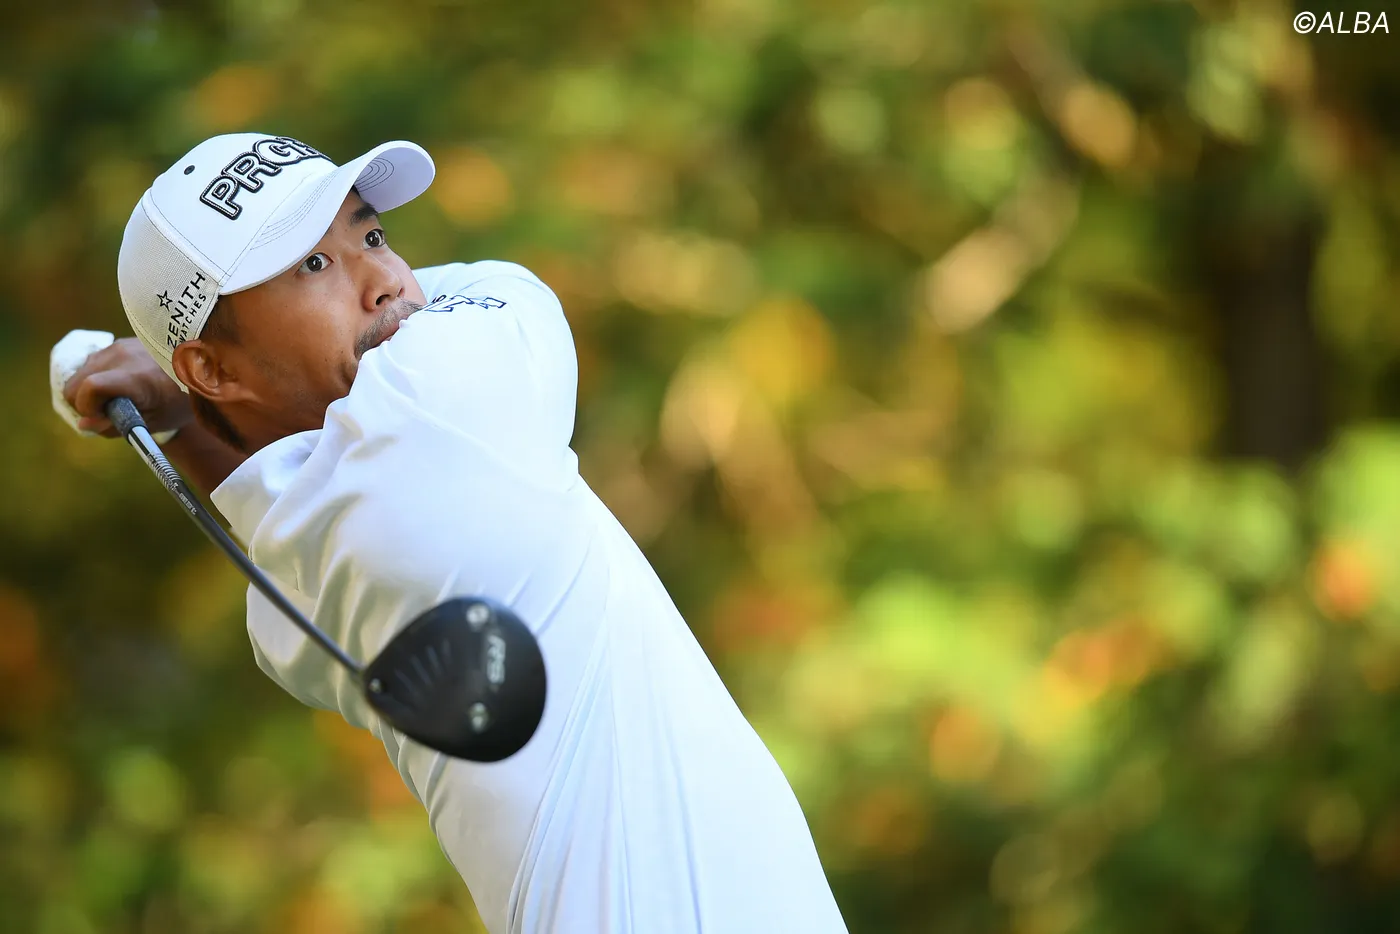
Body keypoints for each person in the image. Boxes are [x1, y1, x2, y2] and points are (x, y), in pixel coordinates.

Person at [56, 133, 849, 934]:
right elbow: (497, 284)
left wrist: (183, 404)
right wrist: (177, 394)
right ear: (215, 370)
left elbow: (260, 473)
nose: (383, 282)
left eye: (371, 236)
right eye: (314, 266)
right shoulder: (442, 397)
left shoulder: (285, 605)